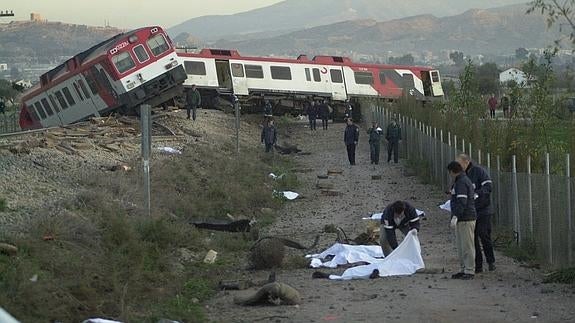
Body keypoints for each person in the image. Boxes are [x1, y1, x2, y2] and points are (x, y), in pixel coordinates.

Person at [457, 154, 495, 273]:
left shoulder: (479, 172)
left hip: (483, 210)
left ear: (466, 162)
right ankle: (477, 265)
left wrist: (477, 194)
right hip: (470, 212)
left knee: (483, 234)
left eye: (459, 163)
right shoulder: (460, 176)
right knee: (472, 239)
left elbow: (488, 187)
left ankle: (490, 261)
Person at [447, 161, 477, 280]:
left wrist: (456, 215)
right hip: (462, 218)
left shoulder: (461, 182)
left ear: (452, 171)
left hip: (466, 218)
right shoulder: (460, 181)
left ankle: (469, 270)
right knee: (461, 246)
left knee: (467, 246)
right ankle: (463, 268)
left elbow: (462, 202)